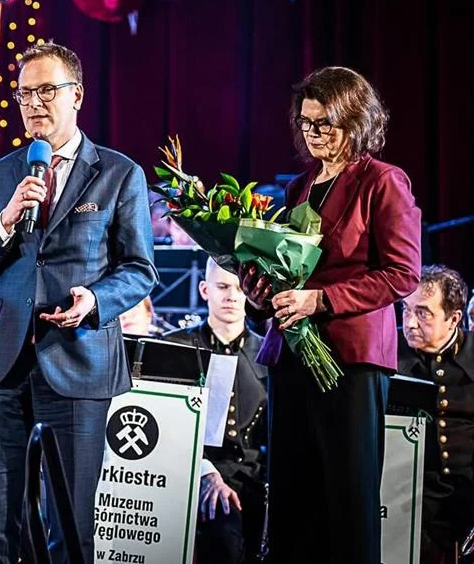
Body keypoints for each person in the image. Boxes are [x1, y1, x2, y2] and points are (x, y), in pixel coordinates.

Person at [0, 41, 158, 563]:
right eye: (24, 94)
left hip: (78, 359)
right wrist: (5, 220)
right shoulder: (1, 174)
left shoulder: (118, 173)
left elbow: (140, 270)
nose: (33, 104)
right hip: (3, 365)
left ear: (77, 96)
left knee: (69, 525)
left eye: (47, 91)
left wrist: (94, 300)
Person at [239, 66, 421, 563]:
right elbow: (290, 271)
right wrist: (260, 295)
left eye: (325, 124)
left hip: (350, 361)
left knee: (347, 504)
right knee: (292, 502)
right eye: (306, 123)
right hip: (292, 356)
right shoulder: (299, 187)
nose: (313, 133)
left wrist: (321, 300)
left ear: (356, 120)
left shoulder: (383, 181)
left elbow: (402, 274)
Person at [167, 258, 266, 564]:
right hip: (195, 476)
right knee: (223, 536)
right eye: (222, 286)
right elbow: (167, 426)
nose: (232, 296)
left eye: (239, 288)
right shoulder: (174, 348)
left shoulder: (270, 353)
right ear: (204, 290)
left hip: (256, 480)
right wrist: (205, 473)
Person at [398, 265, 474, 564]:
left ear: (454, 318)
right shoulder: (387, 350)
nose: (410, 323)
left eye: (423, 313)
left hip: (467, 500)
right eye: (405, 310)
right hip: (406, 503)